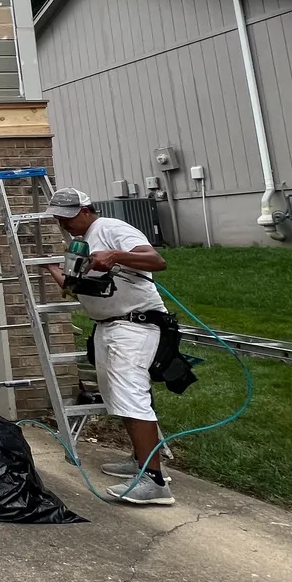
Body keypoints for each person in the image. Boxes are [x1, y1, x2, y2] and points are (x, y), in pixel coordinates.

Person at [42, 187, 175, 506]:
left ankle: (154, 482)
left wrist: (115, 255)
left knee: (131, 395)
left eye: (68, 218)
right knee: (119, 396)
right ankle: (140, 459)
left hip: (135, 324)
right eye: (60, 220)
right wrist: (54, 271)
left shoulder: (111, 228)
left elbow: (157, 261)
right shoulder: (77, 245)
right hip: (109, 326)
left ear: (86, 211)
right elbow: (76, 289)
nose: (64, 225)